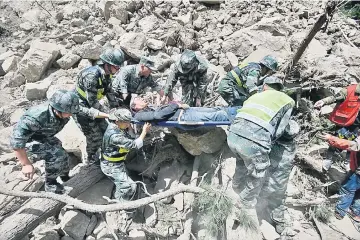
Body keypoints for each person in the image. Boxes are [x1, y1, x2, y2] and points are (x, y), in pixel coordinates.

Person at [10, 90, 108, 194]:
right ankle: (50, 184)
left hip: (42, 136)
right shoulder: (36, 117)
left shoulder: (66, 108)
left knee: (63, 154)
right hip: (27, 142)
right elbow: (16, 141)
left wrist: (108, 116)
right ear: (57, 109)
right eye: (68, 113)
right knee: (57, 154)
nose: (71, 115)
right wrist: (26, 164)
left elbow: (86, 111)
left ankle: (64, 177)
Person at [227, 76, 295, 207]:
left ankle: (235, 185)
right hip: (253, 142)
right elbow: (280, 129)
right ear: (280, 90)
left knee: (241, 159)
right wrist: (270, 142)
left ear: (264, 86)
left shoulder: (254, 97)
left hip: (232, 136)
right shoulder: (288, 101)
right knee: (259, 172)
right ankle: (245, 201)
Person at [73, 48, 125, 164]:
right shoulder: (91, 76)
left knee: (105, 130)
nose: (118, 69)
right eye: (116, 67)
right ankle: (91, 159)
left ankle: (105, 154)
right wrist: (110, 114)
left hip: (93, 106)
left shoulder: (107, 75)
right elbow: (92, 102)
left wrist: (116, 107)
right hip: (81, 109)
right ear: (107, 64)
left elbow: (109, 91)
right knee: (94, 137)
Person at [256, 120, 299, 234]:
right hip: (281, 185)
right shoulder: (292, 147)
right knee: (278, 201)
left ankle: (257, 215)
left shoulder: (275, 148)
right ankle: (279, 223)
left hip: (269, 184)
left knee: (259, 196)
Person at [101, 109, 151, 202]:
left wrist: (130, 128)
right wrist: (144, 131)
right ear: (117, 121)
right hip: (111, 166)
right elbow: (135, 145)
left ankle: (118, 195)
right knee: (130, 187)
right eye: (126, 122)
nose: (128, 125)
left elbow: (129, 137)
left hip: (116, 163)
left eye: (129, 122)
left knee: (123, 183)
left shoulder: (116, 127)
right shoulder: (115, 136)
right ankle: (124, 206)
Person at [314, 83, 360, 171]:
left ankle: (347, 162)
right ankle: (329, 158)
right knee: (336, 139)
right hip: (345, 121)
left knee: (354, 142)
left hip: (357, 124)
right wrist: (323, 102)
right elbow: (334, 98)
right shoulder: (349, 90)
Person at [319, 133, 360, 222]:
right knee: (359, 193)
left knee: (347, 189)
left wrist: (331, 139)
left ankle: (340, 212)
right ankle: (356, 213)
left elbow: (351, 145)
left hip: (358, 173)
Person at [131, 97, 241, 123]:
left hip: (185, 112)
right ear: (135, 107)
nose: (142, 98)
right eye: (139, 99)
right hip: (184, 116)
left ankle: (240, 110)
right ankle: (241, 117)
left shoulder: (147, 109)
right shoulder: (139, 115)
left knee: (215, 109)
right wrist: (175, 105)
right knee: (217, 115)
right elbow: (158, 116)